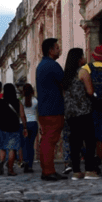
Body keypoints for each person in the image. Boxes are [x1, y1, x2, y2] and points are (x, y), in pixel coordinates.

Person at [62, 48, 100, 179]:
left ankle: (76, 171)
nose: (84, 58)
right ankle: (89, 169)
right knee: (89, 140)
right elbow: (90, 91)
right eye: (83, 56)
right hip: (84, 111)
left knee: (75, 142)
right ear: (78, 59)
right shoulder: (83, 72)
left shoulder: (66, 76)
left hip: (71, 113)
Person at [36, 38, 66, 181]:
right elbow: (64, 83)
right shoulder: (53, 66)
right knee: (50, 140)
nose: (59, 50)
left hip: (44, 109)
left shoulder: (41, 66)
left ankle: (47, 169)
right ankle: (48, 171)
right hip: (53, 108)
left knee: (46, 140)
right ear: (50, 50)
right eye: (57, 48)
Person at [0, 83, 27, 175]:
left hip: (2, 127)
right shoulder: (18, 102)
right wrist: (25, 127)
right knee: (12, 149)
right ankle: (10, 169)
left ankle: (1, 163)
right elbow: (22, 115)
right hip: (14, 128)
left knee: (2, 147)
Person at [84, 45, 102, 162]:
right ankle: (100, 157)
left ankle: (90, 156)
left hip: (91, 106)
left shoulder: (87, 68)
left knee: (91, 133)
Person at [21, 83, 38, 172]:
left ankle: (25, 161)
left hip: (24, 124)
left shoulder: (22, 101)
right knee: (31, 145)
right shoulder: (35, 101)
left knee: (25, 145)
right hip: (34, 123)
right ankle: (30, 165)